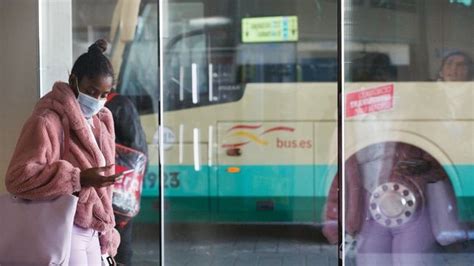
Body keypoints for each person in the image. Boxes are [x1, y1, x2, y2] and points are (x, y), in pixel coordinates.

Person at [5, 39, 121, 265]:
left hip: (95, 232)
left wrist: (108, 233)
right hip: (66, 226)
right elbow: (18, 178)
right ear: (73, 81)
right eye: (91, 91)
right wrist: (77, 178)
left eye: (103, 94)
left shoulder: (101, 122)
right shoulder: (47, 120)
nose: (96, 100)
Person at [106, 90, 148, 265]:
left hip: (117, 194)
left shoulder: (120, 105)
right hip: (102, 191)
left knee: (120, 247)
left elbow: (137, 156)